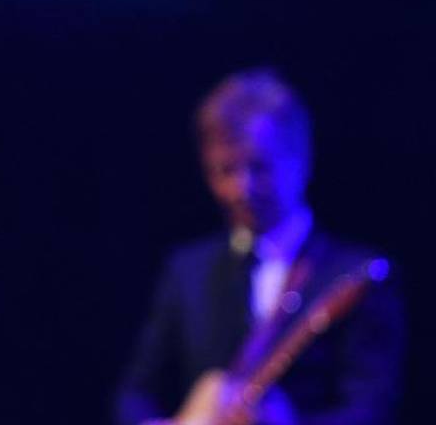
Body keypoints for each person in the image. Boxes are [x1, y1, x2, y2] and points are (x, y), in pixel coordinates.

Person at [116, 69, 406, 425]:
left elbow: (371, 411)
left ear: (301, 158)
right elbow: (135, 395)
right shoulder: (187, 270)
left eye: (260, 167)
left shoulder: (357, 277)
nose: (241, 188)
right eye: (225, 170)